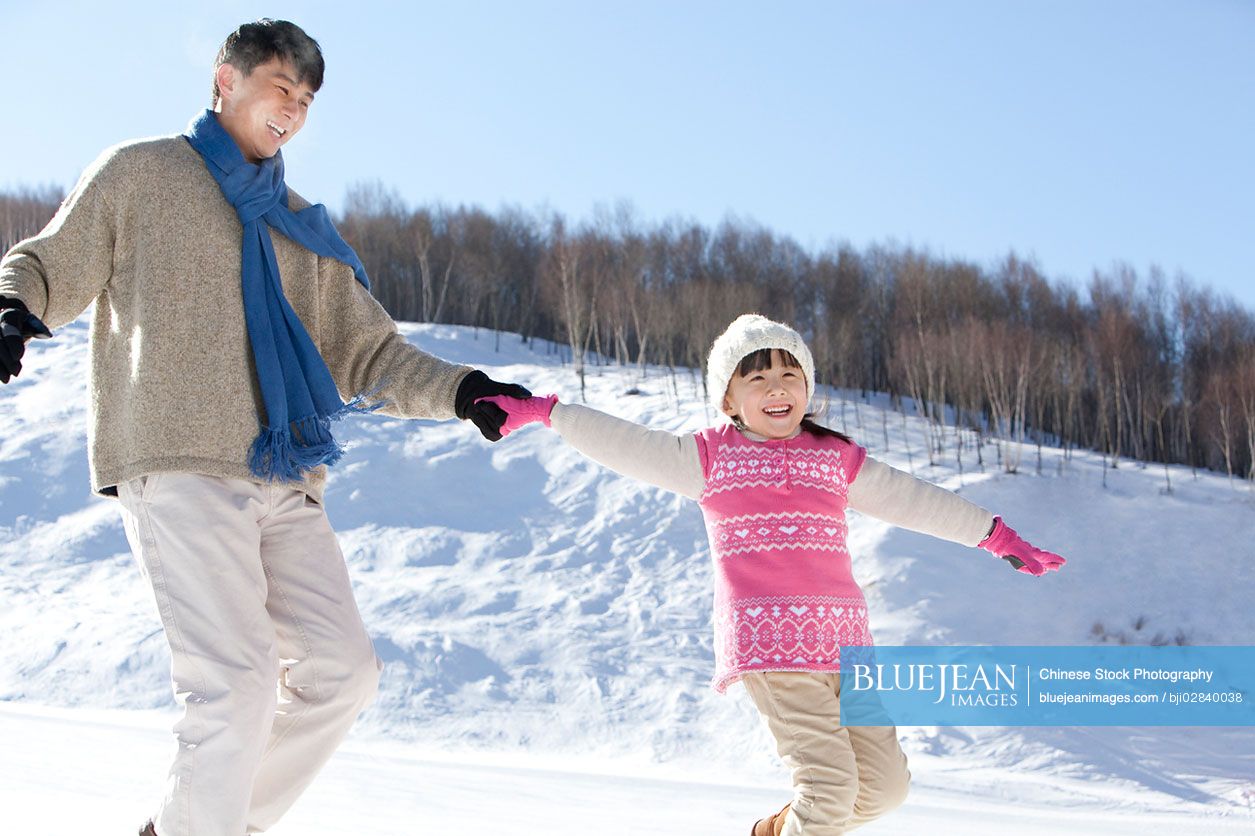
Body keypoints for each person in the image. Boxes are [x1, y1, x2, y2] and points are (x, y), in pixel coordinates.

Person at [0, 19, 526, 836]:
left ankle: (195, 824)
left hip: (283, 475)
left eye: (307, 99)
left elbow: (366, 351)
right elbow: (49, 259)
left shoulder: (299, 224)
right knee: (236, 686)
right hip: (179, 460)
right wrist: (13, 311)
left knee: (343, 672)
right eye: (281, 86)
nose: (293, 108)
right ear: (225, 81)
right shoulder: (143, 173)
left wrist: (463, 390)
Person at [481, 313, 1066, 836]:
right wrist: (545, 411)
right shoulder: (709, 459)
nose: (776, 387)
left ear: (807, 389)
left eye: (789, 374)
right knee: (830, 792)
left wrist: (995, 535)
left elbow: (914, 499)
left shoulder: (836, 458)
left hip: (846, 650)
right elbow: (623, 442)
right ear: (730, 400)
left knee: (885, 791)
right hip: (775, 648)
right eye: (755, 378)